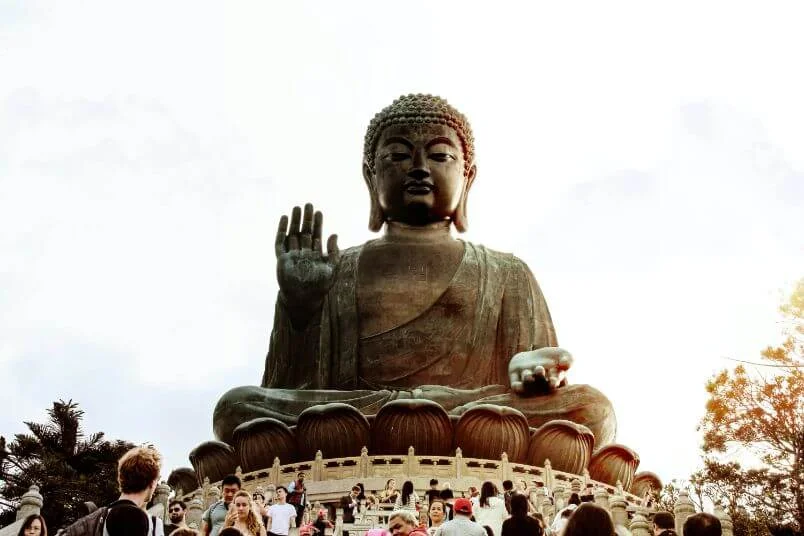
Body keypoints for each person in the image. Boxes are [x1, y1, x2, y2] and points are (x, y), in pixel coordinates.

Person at [212, 94, 617, 450]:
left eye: (440, 156)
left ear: (467, 177)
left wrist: (533, 371)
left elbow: (540, 378)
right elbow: (289, 387)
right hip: (361, 416)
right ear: (371, 176)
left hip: (473, 412)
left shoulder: (507, 272)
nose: (420, 168)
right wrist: (300, 308)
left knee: (592, 409)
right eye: (399, 156)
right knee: (236, 407)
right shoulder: (337, 270)